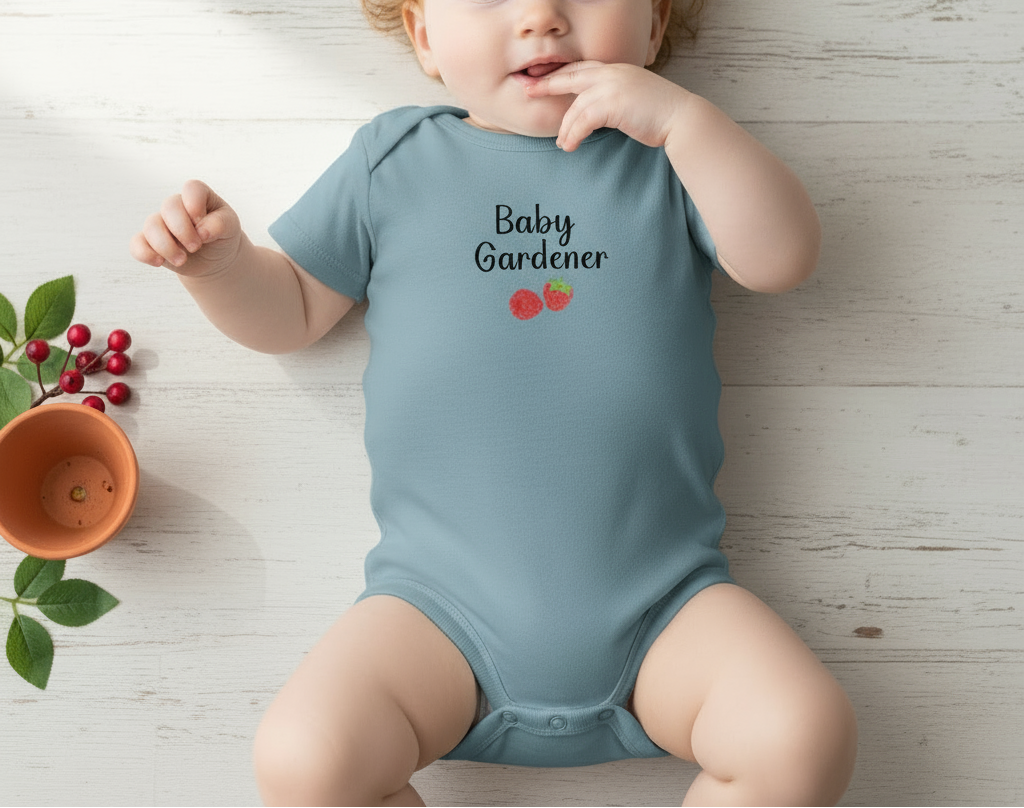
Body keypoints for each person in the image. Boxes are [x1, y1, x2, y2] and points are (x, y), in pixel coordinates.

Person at [130, 0, 857, 804]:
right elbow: (294, 308)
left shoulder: (672, 162)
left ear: (653, 27)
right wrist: (220, 267)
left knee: (803, 733)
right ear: (425, 36)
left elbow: (781, 257)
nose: (542, 17)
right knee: (304, 760)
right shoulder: (395, 161)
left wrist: (687, 123)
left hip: (667, 610)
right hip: (437, 617)